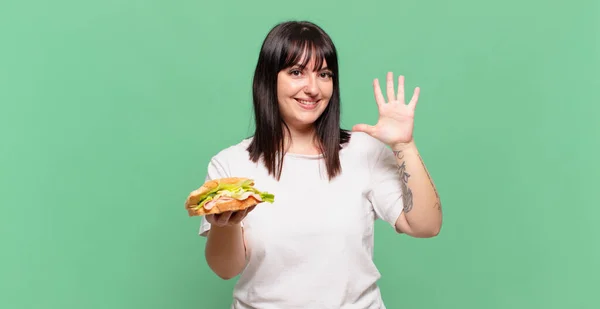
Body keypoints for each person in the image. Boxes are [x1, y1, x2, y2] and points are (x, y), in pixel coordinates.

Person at [185, 20, 443, 309]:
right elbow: (225, 269)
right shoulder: (232, 164)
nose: (313, 88)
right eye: (296, 72)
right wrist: (225, 225)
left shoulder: (362, 150)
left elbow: (426, 226)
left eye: (324, 74)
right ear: (269, 79)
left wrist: (403, 145)